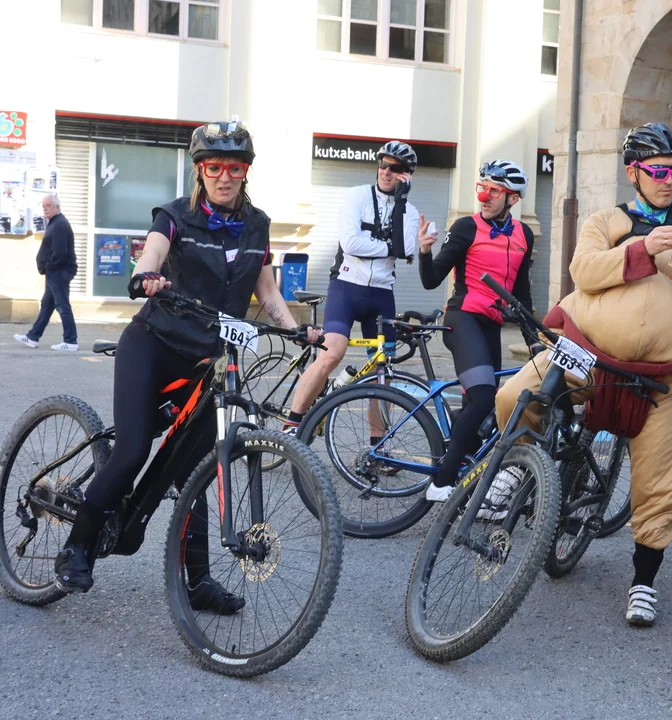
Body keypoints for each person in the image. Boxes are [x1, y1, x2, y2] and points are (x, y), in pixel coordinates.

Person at [54, 121, 320, 612]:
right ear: (201, 171)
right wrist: (146, 277)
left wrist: (296, 329)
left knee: (196, 470)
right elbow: (151, 255)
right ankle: (77, 545)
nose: (224, 177)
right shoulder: (175, 215)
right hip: (153, 346)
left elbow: (266, 290)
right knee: (132, 451)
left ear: (245, 173)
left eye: (234, 168)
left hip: (206, 360)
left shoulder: (257, 225)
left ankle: (198, 583)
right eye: (214, 168)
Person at [493, 123, 672, 626]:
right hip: (589, 353)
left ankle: (644, 581)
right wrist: (643, 249)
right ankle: (518, 465)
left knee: (662, 480)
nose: (669, 180)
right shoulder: (606, 220)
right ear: (634, 173)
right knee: (515, 395)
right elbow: (583, 272)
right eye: (659, 172)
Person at [283, 141, 429, 433]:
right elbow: (350, 243)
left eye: (395, 168)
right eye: (382, 164)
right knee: (332, 352)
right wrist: (389, 247)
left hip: (381, 295)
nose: (386, 171)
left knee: (383, 372)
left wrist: (400, 203)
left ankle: (378, 446)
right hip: (346, 288)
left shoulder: (410, 212)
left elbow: (405, 249)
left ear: (406, 175)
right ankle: (293, 423)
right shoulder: (357, 196)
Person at [419, 160, 535, 505]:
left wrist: (534, 343)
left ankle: (458, 460)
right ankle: (441, 482)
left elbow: (522, 293)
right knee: (485, 396)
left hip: (491, 326)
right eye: (481, 188)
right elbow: (431, 280)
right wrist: (425, 251)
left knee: (487, 407)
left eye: (493, 191)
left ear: (513, 198)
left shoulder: (524, 235)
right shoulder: (466, 227)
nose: (484, 196)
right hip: (463, 319)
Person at [14, 194, 79, 351]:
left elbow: (60, 253)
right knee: (47, 305)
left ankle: (71, 341)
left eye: (48, 206)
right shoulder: (54, 223)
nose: (45, 209)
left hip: (59, 271)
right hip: (54, 271)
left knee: (62, 305)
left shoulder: (60, 224)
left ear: (57, 207)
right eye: (43, 206)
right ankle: (33, 336)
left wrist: (48, 266)